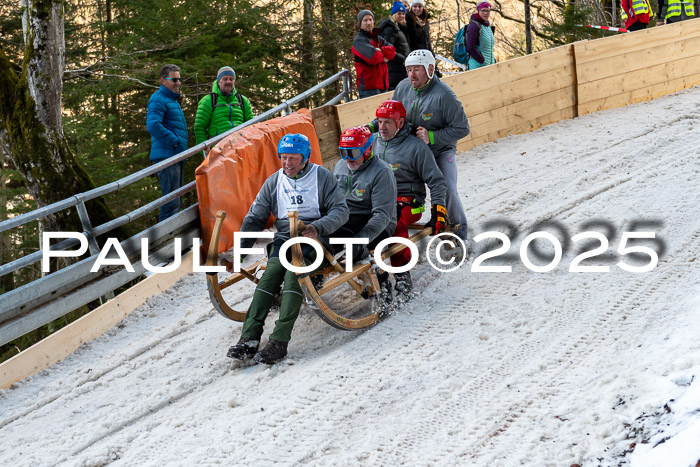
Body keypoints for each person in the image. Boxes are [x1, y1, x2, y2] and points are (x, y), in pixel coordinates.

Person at [227, 134, 349, 365]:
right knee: (269, 277)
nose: (287, 164)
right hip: (284, 238)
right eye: (283, 158)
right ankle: (249, 337)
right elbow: (255, 217)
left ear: (305, 158)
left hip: (315, 239)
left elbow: (340, 211)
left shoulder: (322, 177)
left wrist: (317, 227)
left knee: (295, 277)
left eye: (293, 158)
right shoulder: (274, 182)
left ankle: (279, 341)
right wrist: (240, 252)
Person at [368, 50, 470, 243]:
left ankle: (460, 233)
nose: (412, 75)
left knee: (447, 186)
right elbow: (391, 112)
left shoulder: (444, 95)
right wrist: (370, 127)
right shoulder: (403, 87)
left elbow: (462, 128)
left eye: (417, 70)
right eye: (408, 70)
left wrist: (432, 136)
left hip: (440, 149)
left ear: (430, 69)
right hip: (408, 149)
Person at [372, 100, 447, 294]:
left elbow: (436, 181)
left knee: (393, 216)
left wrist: (438, 209)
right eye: (380, 122)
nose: (382, 127)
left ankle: (402, 273)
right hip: (378, 198)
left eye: (388, 122)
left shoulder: (416, 147)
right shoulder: (372, 143)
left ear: (401, 123)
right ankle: (372, 268)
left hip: (410, 200)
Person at [333, 127, 397, 296]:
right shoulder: (341, 166)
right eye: (343, 152)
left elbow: (383, 215)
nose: (347, 158)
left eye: (352, 153)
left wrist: (360, 240)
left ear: (367, 150)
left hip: (377, 225)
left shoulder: (381, 171)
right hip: (348, 220)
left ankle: (382, 287)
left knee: (351, 242)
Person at [146, 64, 188, 222]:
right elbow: (152, 125)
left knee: (176, 199)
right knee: (171, 201)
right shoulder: (158, 99)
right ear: (163, 80)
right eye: (174, 79)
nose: (178, 83)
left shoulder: (171, 100)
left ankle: (174, 237)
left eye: (179, 79)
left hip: (175, 155)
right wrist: (174, 141)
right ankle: (168, 239)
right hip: (167, 155)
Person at [194, 66, 253, 147]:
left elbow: (251, 125)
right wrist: (205, 150)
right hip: (218, 149)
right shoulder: (208, 101)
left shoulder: (243, 100)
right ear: (218, 82)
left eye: (231, 79)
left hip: (240, 147)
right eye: (225, 79)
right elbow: (199, 128)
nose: (228, 81)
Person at [353, 9, 397, 98]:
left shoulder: (377, 38)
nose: (368, 22)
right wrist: (383, 56)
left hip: (383, 86)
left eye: (370, 19)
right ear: (360, 23)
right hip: (369, 89)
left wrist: (380, 50)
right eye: (365, 20)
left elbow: (392, 51)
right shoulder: (359, 41)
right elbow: (374, 58)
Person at [378, 2, 411, 91]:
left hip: (400, 70)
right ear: (393, 15)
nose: (402, 16)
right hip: (395, 71)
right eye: (399, 13)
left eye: (403, 14)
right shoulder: (390, 30)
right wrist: (403, 59)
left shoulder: (398, 28)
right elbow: (387, 50)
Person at [466, 2, 496, 70]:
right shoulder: (474, 26)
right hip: (477, 67)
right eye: (483, 10)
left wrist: (493, 60)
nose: (485, 13)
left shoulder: (487, 26)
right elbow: (470, 47)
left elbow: (489, 48)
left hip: (489, 67)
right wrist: (482, 60)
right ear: (478, 11)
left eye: (487, 11)